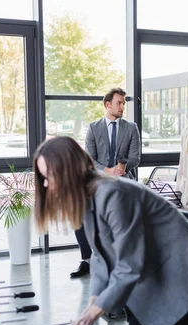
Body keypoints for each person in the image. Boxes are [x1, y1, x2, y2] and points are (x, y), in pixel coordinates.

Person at [33, 136, 188, 325]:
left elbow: (128, 266)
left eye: (49, 177)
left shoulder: (111, 193)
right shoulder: (86, 197)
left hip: (176, 275)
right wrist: (92, 302)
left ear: (68, 170)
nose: (46, 185)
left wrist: (94, 313)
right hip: (148, 280)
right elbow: (100, 257)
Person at [70, 88, 140, 278]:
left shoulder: (131, 128)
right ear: (108, 105)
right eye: (119, 103)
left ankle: (117, 261)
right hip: (99, 179)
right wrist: (107, 170)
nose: (122, 107)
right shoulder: (94, 128)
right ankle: (87, 260)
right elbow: (89, 160)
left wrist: (122, 166)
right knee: (78, 211)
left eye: (124, 103)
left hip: (123, 180)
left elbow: (136, 158)